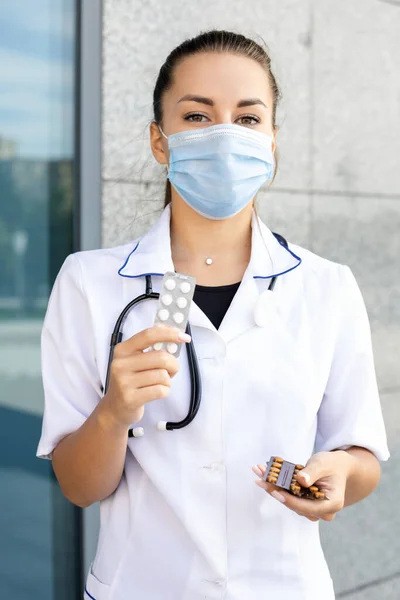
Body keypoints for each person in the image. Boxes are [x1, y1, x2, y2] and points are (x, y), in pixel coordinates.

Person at [37, 30, 389, 600]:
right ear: (160, 140)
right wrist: (113, 412)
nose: (225, 135)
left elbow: (362, 454)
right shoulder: (89, 284)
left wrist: (342, 476)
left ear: (272, 142)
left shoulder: (326, 288)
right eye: (198, 116)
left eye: (248, 119)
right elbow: (79, 487)